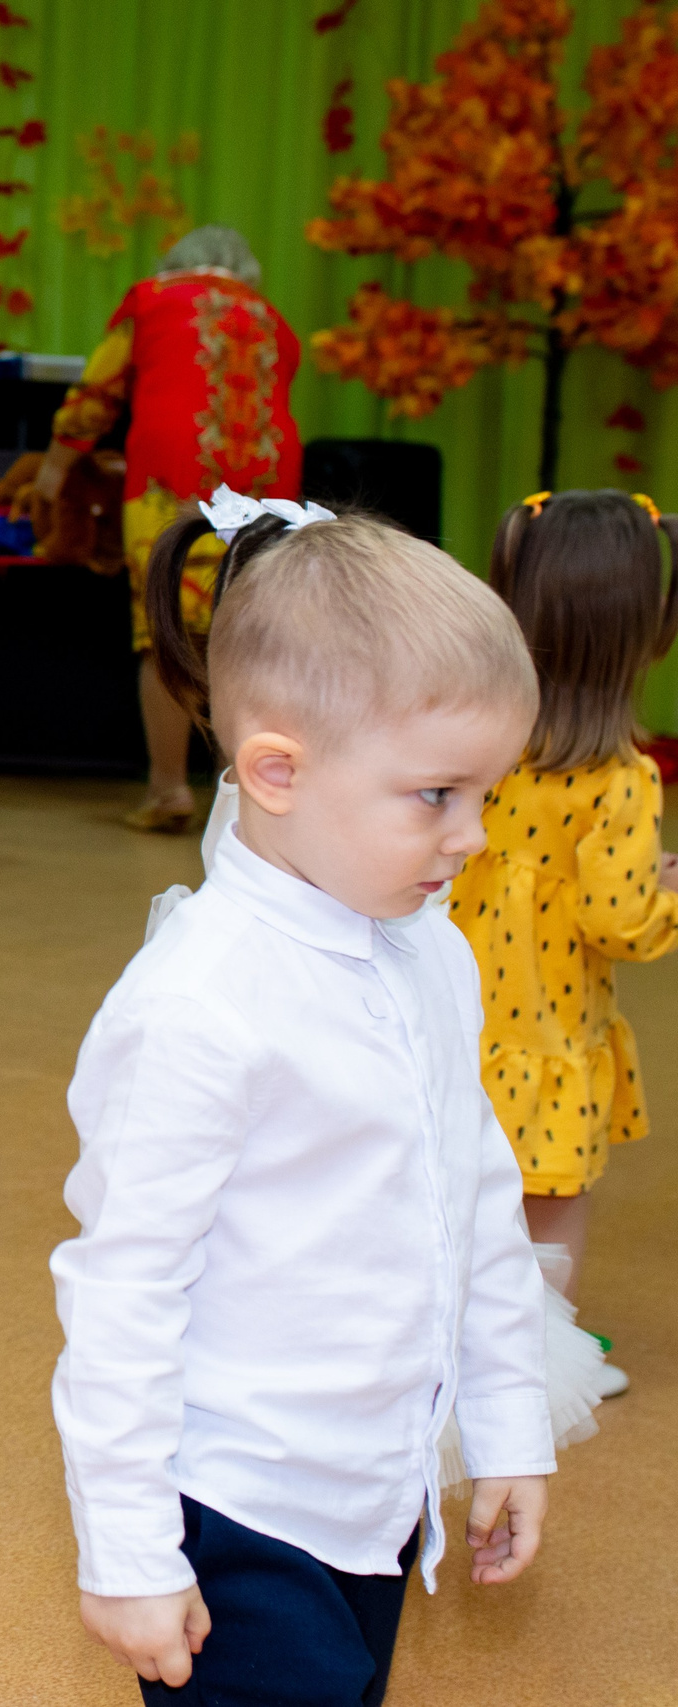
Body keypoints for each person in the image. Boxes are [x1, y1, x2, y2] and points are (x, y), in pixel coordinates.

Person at [53, 505, 556, 1702]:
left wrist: (507, 1427)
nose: (472, 836)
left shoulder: (431, 954)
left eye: (485, 794)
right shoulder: (199, 1004)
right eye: (435, 795)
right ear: (277, 771)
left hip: (373, 1494)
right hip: (235, 1502)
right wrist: (127, 1550)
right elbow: (123, 1291)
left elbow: (476, 1205)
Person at [451, 488, 678, 1398]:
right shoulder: (622, 779)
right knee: (549, 1209)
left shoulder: (479, 738)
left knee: (461, 1195)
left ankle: (449, 1343)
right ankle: (538, 1372)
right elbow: (620, 922)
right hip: (548, 1038)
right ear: (642, 630)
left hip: (460, 1019)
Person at [17, 225, 302, 834]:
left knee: (168, 634)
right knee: (246, 641)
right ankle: (243, 803)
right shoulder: (271, 318)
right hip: (266, 488)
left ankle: (169, 790)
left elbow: (98, 391)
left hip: (175, 479)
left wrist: (56, 466)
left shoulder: (150, 299)